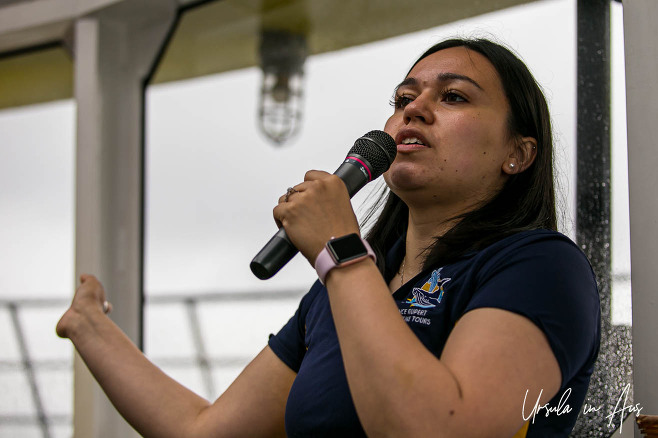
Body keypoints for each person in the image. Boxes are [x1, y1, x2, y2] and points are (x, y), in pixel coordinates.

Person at [57, 37, 601, 437]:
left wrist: (339, 251)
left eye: (454, 97)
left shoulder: (540, 267)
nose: (414, 108)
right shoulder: (345, 288)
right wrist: (90, 328)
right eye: (402, 98)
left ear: (518, 153)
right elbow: (206, 432)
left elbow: (441, 427)